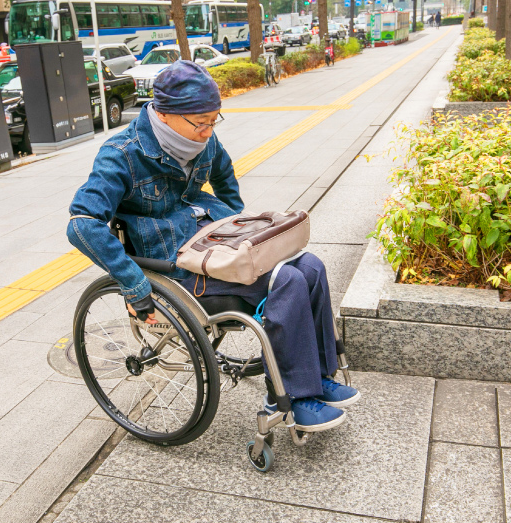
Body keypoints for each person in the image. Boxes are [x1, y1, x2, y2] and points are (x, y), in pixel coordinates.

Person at [67, 61, 360, 432]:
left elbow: (224, 174)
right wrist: (133, 283)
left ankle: (318, 378)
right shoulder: (122, 154)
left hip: (217, 242)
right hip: (176, 262)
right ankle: (291, 397)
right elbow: (82, 224)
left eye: (213, 121)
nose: (208, 132)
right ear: (166, 113)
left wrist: (240, 227)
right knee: (286, 281)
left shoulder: (202, 141)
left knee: (311, 265)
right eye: (200, 122)